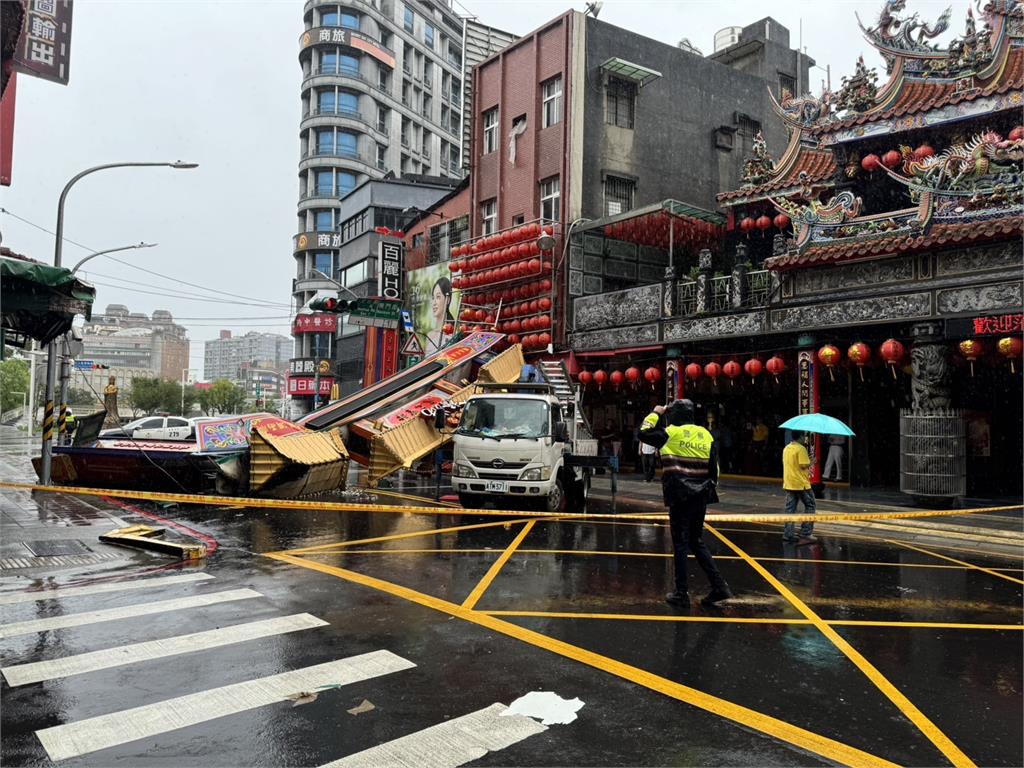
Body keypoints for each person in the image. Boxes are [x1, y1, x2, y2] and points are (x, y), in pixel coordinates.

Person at [640, 399, 733, 608]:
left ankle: (681, 592)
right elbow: (714, 470)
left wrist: (655, 412)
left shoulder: (670, 433)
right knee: (696, 540)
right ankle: (719, 586)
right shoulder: (705, 435)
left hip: (679, 495)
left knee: (680, 543)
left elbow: (643, 433)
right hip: (701, 496)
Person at [782, 431, 817, 544]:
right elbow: (803, 465)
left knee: (790, 509)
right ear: (801, 437)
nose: (805, 439)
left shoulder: (787, 448)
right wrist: (812, 461)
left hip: (789, 483)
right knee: (810, 505)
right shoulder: (801, 449)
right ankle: (806, 533)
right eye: (804, 437)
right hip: (801, 484)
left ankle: (788, 534)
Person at [425, 276, 455, 352]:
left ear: (447, 300)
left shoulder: (453, 333)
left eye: (438, 297)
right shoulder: (430, 335)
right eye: (433, 298)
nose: (434, 303)